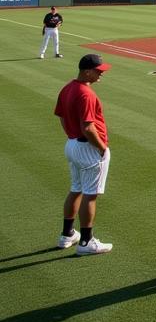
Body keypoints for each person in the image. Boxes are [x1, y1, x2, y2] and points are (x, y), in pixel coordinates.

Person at [54, 54, 114, 255]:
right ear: (87, 71)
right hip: (88, 148)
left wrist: (72, 136)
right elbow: (88, 127)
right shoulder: (86, 94)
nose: (101, 74)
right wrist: (101, 148)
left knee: (76, 189)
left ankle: (67, 234)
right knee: (91, 194)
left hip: (72, 145)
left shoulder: (68, 88)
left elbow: (61, 117)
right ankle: (86, 242)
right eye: (99, 71)